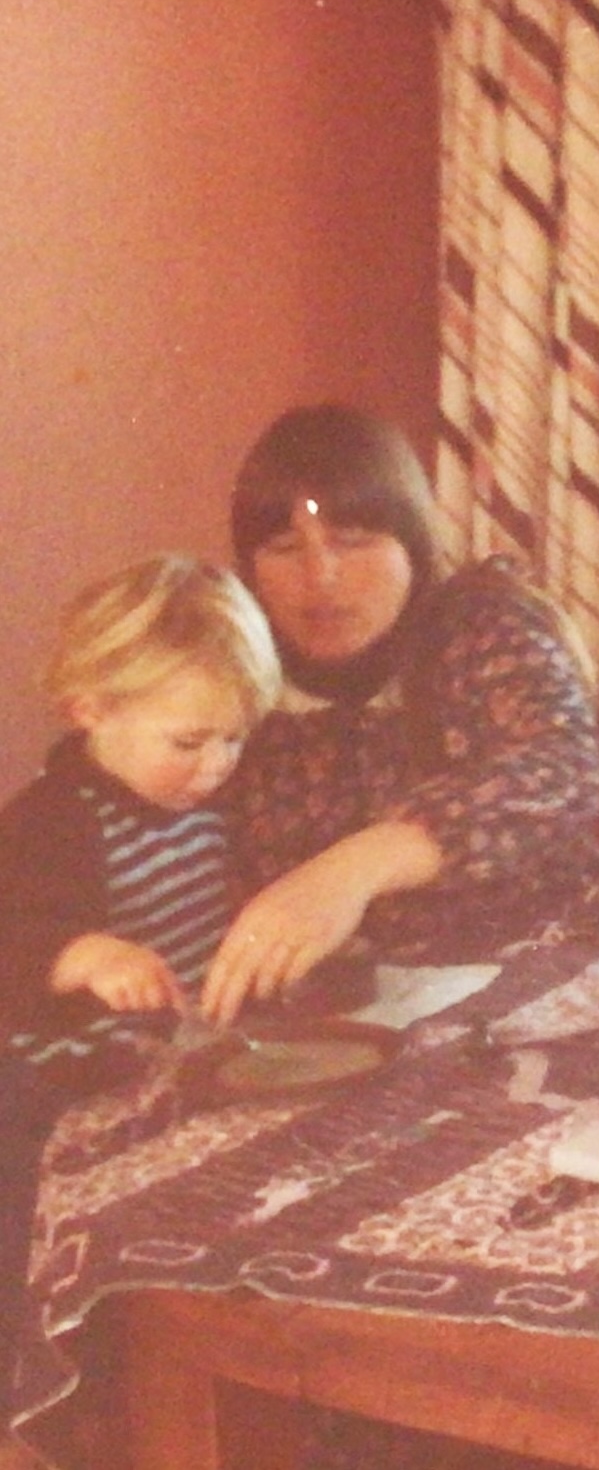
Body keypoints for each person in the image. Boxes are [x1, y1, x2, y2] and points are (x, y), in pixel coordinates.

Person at [200, 404, 599, 1025]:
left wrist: (352, 869)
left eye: (353, 542)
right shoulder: (228, 669)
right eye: (285, 548)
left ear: (413, 544)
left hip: (547, 980)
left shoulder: (482, 624)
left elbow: (560, 769)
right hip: (338, 1020)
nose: (321, 576)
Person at [0, 553, 279, 1373]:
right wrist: (79, 955)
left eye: (233, 738)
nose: (216, 763)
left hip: (168, 1058)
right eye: (189, 740)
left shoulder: (207, 802)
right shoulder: (52, 823)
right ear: (89, 710)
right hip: (47, 1073)